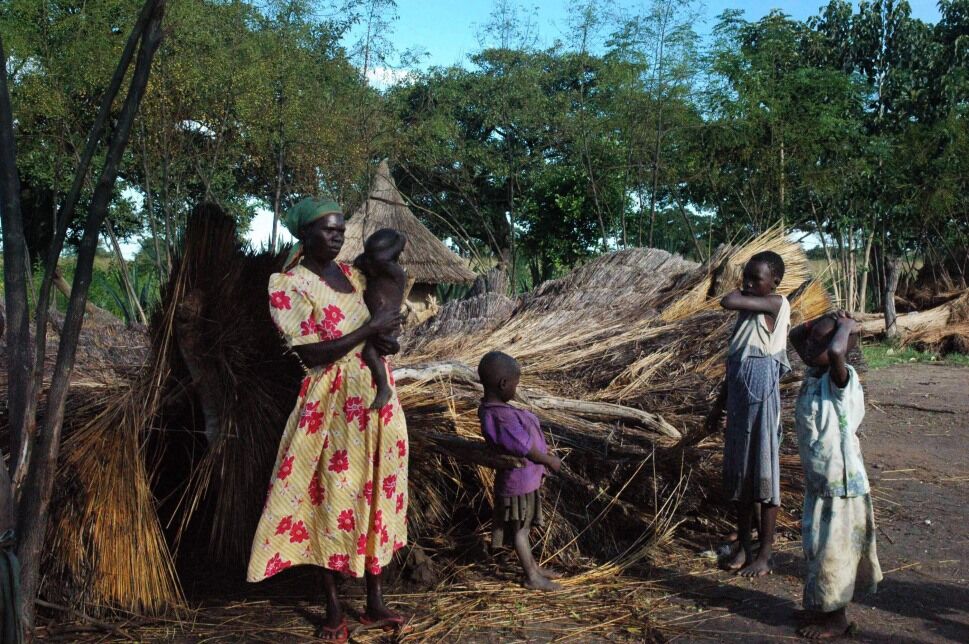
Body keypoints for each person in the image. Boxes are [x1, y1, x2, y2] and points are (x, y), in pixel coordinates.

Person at [247, 197, 408, 643]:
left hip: (377, 405)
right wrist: (368, 331)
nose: (338, 236)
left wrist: (384, 338)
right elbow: (310, 352)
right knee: (329, 499)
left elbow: (383, 317)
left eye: (341, 230)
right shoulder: (288, 284)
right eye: (328, 230)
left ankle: (374, 602)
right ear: (305, 234)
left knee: (375, 491)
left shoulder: (355, 276)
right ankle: (334, 608)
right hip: (331, 407)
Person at [790, 312, 881, 639]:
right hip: (822, 485)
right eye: (814, 339)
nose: (812, 345)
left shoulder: (841, 378)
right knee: (818, 550)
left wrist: (845, 327)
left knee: (835, 554)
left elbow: (839, 352)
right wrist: (820, 324)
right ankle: (823, 607)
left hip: (842, 487)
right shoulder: (816, 371)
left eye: (822, 342)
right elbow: (795, 336)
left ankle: (837, 620)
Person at [706, 251, 791, 577]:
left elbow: (727, 300)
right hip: (741, 402)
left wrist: (740, 292)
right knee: (742, 479)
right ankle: (744, 544)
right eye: (747, 277)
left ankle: (765, 554)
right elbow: (733, 367)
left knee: (764, 479)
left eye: (757, 278)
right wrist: (718, 407)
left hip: (762, 403)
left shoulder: (776, 304)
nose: (748, 283)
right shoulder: (747, 317)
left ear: (775, 283)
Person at [477, 351, 563, 591]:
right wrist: (548, 460)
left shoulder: (495, 409)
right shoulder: (500, 417)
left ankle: (534, 568)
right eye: (516, 384)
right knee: (520, 532)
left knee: (522, 528)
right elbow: (524, 447)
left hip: (523, 481)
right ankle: (531, 577)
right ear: (503, 384)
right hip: (518, 483)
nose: (516, 389)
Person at [353, 228, 408, 410]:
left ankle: (383, 387)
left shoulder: (396, 273)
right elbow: (359, 261)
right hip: (378, 322)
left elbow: (379, 259)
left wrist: (400, 241)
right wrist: (369, 256)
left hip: (388, 323)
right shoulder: (374, 268)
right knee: (369, 351)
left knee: (369, 352)